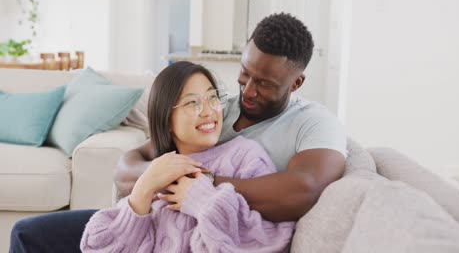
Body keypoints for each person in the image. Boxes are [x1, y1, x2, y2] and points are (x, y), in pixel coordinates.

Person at [10, 13, 346, 252]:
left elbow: (304, 190)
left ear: (296, 82)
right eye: (245, 73)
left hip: (207, 230)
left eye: (265, 84)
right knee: (27, 234)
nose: (248, 91)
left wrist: (203, 188)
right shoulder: (217, 107)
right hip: (156, 222)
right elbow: (130, 163)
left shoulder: (313, 123)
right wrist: (152, 181)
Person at [80, 61, 295, 252]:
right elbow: (96, 247)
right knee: (45, 230)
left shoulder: (245, 157)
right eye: (192, 103)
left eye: (212, 98)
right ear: (166, 119)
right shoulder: (160, 169)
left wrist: (201, 200)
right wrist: (143, 190)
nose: (208, 111)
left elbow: (271, 240)